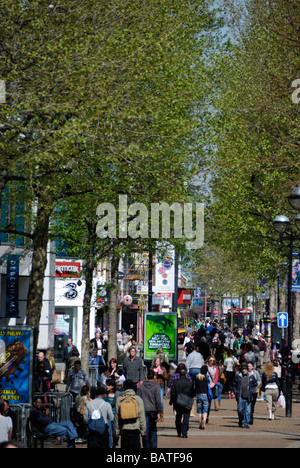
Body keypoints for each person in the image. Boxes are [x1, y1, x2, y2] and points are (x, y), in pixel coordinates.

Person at [115, 379, 146, 448]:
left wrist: (117, 431)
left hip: (124, 429)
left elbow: (117, 416)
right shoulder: (138, 399)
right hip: (135, 429)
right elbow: (141, 415)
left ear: (124, 387)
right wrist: (143, 430)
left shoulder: (119, 399)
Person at [137, 369, 161, 448]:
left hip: (144, 410)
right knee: (153, 430)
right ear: (154, 376)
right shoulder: (156, 387)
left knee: (145, 430)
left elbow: (138, 399)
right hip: (153, 410)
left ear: (146, 376)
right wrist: (158, 412)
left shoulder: (141, 386)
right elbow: (158, 401)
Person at [232, 363, 258, 429]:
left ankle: (246, 423)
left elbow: (255, 384)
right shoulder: (238, 376)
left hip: (248, 396)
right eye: (243, 369)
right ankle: (241, 420)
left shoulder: (251, 376)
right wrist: (236, 392)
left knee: (248, 411)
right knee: (240, 410)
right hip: (240, 396)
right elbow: (234, 385)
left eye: (245, 369)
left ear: (247, 370)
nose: (244, 370)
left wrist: (252, 391)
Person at [170, 368, 193, 438]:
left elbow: (173, 393)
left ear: (179, 374)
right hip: (187, 402)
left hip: (178, 402)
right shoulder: (189, 383)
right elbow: (193, 393)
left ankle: (179, 431)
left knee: (178, 417)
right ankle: (185, 432)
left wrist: (172, 401)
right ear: (186, 375)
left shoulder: (176, 382)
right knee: (186, 416)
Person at [192, 365, 210, 430]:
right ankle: (204, 422)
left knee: (199, 410)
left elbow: (194, 386)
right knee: (205, 409)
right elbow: (209, 384)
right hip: (205, 394)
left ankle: (200, 423)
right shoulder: (206, 377)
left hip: (198, 395)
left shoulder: (197, 377)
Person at [151, 356, 168, 422]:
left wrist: (162, 374)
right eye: (155, 361)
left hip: (160, 386)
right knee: (154, 401)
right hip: (153, 386)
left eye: (157, 361)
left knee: (160, 401)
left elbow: (166, 377)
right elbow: (148, 376)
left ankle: (161, 414)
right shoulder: (152, 368)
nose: (156, 362)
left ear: (160, 362)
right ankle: (156, 415)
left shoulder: (163, 369)